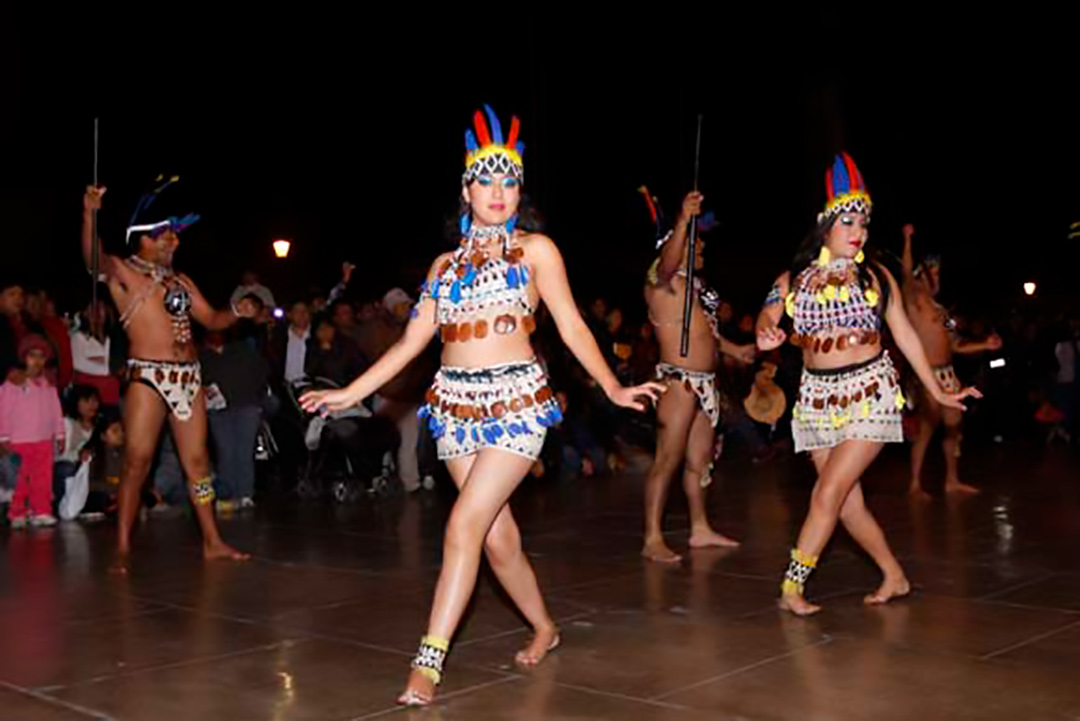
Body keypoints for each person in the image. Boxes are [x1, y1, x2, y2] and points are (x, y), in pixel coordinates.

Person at [301, 105, 663, 707]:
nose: (498, 192)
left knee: (463, 525)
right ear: (466, 189)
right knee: (498, 541)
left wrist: (614, 387)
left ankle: (429, 661)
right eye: (486, 180)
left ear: (520, 190)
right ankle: (545, 626)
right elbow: (413, 345)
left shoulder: (536, 251)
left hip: (517, 403)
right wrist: (349, 392)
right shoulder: (443, 269)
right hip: (455, 408)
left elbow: (572, 328)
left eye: (509, 180)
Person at [756, 153, 979, 616]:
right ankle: (894, 575)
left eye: (864, 223)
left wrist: (937, 391)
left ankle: (791, 586)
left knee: (827, 494)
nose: (859, 232)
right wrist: (765, 330)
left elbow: (905, 337)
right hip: (816, 399)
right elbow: (767, 313)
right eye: (849, 222)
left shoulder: (877, 278)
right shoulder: (793, 278)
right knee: (847, 504)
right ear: (825, 225)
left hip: (869, 394)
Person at [81, 177, 252, 570]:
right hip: (148, 377)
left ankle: (212, 541)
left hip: (188, 377)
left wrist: (239, 311)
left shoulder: (182, 281)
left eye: (175, 236)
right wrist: (90, 214)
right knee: (137, 462)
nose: (173, 241)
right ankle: (122, 548)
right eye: (164, 235)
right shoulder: (124, 272)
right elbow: (93, 259)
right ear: (141, 238)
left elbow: (211, 319)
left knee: (198, 464)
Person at [641, 191, 755, 563]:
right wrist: (683, 219)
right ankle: (652, 537)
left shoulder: (693, 287)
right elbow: (670, 259)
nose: (701, 244)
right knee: (668, 459)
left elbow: (708, 335)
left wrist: (736, 351)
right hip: (678, 382)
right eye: (696, 240)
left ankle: (700, 528)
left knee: (699, 460)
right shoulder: (662, 280)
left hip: (704, 385)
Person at [902, 224, 1002, 498]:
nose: (938, 275)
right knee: (926, 428)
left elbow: (955, 343)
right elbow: (906, 274)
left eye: (938, 271)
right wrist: (907, 240)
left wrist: (984, 344)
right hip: (927, 375)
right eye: (933, 271)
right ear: (922, 275)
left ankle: (952, 480)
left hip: (948, 373)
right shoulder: (915, 301)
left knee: (954, 426)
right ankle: (914, 484)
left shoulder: (942, 311)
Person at [0, 335, 65, 528]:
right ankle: (17, 512)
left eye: (41, 356)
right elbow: (3, 411)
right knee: (20, 479)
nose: (37, 361)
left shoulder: (49, 385)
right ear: (24, 358)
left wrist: (59, 434)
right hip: (20, 441)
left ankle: (41, 511)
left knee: (43, 477)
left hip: (44, 440)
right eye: (32, 356)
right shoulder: (13, 384)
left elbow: (56, 411)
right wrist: (3, 437)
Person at [200, 330, 269, 509]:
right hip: (218, 408)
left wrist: (255, 397)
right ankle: (227, 494)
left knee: (244, 450)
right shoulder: (201, 355)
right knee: (225, 451)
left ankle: (245, 493)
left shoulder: (243, 349)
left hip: (247, 405)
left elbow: (261, 372)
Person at [70, 302, 123, 407]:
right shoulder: (79, 337)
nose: (97, 312)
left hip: (112, 396)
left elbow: (121, 363)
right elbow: (78, 363)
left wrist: (98, 360)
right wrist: (110, 368)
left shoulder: (112, 339)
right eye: (93, 308)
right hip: (89, 398)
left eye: (101, 308)